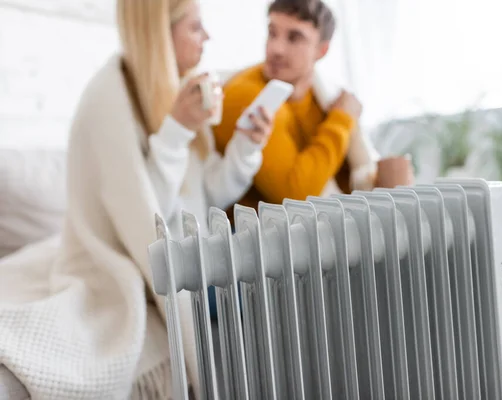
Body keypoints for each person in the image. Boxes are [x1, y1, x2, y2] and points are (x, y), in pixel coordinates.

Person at [0, 0, 273, 398]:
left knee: (265, 281)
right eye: (195, 28)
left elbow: (206, 196)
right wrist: (176, 132)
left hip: (191, 254)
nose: (207, 38)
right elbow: (147, 220)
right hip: (138, 260)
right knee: (262, 290)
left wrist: (247, 147)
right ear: (162, 33)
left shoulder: (183, 87)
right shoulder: (108, 101)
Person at [212, 0, 367, 211]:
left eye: (294, 38)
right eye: (272, 33)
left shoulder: (322, 97)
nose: (276, 48)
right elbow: (295, 194)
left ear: (322, 50)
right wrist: (341, 120)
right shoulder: (249, 96)